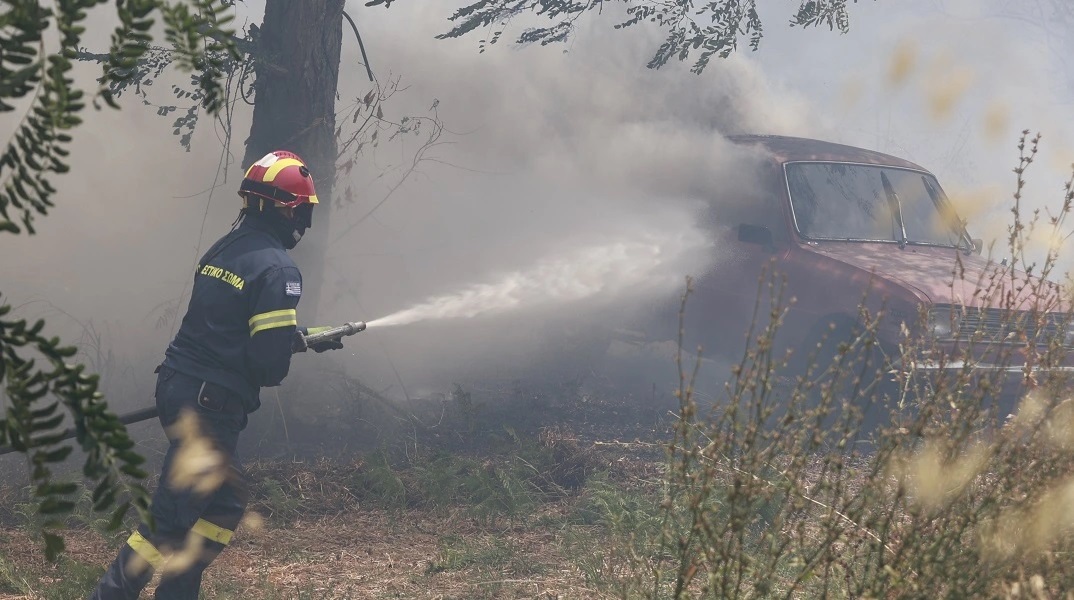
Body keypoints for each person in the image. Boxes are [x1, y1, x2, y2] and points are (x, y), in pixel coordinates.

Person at [89, 150, 343, 599]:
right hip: (211, 405)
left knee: (224, 503)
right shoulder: (280, 270)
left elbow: (227, 328)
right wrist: (287, 343)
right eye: (301, 208)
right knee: (167, 520)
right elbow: (267, 366)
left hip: (178, 386)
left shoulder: (226, 248)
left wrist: (294, 334)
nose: (303, 218)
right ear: (286, 209)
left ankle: (177, 592)